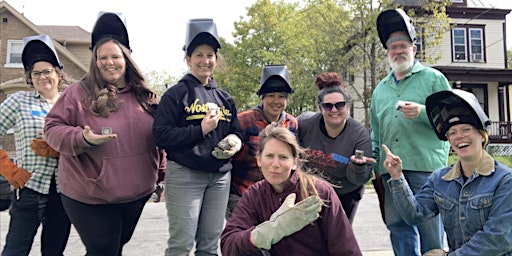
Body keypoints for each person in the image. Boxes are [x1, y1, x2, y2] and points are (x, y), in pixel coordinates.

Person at [44, 12, 163, 255]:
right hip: (90, 195)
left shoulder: (145, 96)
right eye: (103, 57)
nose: (110, 62)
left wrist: (160, 173)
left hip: (136, 193)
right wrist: (82, 138)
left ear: (126, 59)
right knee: (104, 248)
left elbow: (159, 138)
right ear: (95, 61)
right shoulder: (78, 93)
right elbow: (52, 129)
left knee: (115, 247)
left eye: (115, 56)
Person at [383, 89, 512, 255]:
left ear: (482, 136)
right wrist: (397, 176)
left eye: (466, 129)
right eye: (452, 132)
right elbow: (415, 214)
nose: (459, 136)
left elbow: (499, 238)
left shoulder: (504, 180)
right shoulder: (440, 179)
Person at [152, 18, 243, 256]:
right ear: (188, 59)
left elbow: (237, 130)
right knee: (182, 244)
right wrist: (200, 130)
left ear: (216, 58)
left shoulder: (225, 98)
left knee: (210, 244)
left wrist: (234, 141)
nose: (205, 60)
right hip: (186, 175)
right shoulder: (176, 95)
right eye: (199, 55)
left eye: (210, 54)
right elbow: (160, 135)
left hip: (220, 178)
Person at [371, 8, 452, 255]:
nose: (398, 51)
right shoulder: (379, 90)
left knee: (429, 224)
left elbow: (452, 122)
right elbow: (376, 133)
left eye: (403, 46)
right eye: (393, 47)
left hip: (425, 168)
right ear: (387, 53)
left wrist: (424, 112)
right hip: (390, 170)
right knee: (398, 227)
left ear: (414, 49)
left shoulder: (433, 79)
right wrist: (375, 167)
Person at [221, 124, 362, 256]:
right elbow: (228, 245)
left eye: (283, 157)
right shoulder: (254, 195)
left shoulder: (320, 192)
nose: (275, 164)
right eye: (269, 156)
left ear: (295, 161)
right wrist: (271, 230)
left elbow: (346, 249)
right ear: (258, 160)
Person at [0, 34, 72, 256]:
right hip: (30, 188)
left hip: (65, 191)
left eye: (47, 71)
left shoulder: (71, 103)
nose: (43, 77)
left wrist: (61, 148)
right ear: (30, 78)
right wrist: (8, 169)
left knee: (54, 251)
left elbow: (83, 140)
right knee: (16, 250)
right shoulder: (19, 101)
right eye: (36, 73)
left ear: (58, 74)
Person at [296, 72, 375, 223]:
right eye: (328, 106)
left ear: (348, 106)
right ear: (320, 107)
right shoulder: (304, 124)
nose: (334, 110)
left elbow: (360, 179)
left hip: (345, 194)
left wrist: (357, 166)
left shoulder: (359, 135)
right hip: (311, 193)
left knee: (339, 239)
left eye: (340, 105)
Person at [226, 64, 298, 219]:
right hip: (242, 196)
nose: (276, 101)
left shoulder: (292, 124)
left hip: (277, 198)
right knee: (245, 240)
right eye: (271, 95)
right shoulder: (243, 120)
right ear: (262, 97)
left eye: (281, 96)